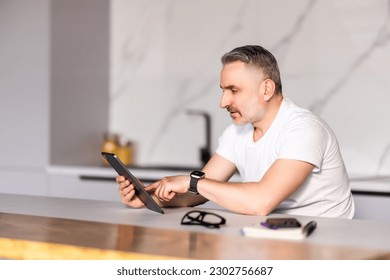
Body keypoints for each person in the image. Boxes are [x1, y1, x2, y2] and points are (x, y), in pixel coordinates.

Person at [117, 45, 355, 218]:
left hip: (325, 244)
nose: (223, 102)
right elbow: (199, 192)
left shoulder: (305, 129)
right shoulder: (236, 133)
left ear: (267, 89)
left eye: (233, 90)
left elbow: (260, 201)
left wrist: (191, 182)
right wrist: (151, 197)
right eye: (223, 90)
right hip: (274, 236)